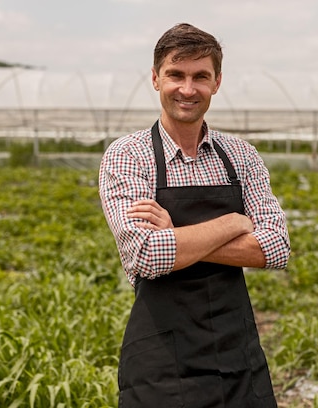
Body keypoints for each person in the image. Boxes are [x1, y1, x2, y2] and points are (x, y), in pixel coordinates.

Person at [98, 22, 290, 408]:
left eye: (200, 76)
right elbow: (147, 256)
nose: (188, 89)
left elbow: (275, 249)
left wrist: (177, 234)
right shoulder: (127, 155)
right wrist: (235, 223)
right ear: (155, 79)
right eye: (176, 75)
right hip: (160, 365)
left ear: (217, 82)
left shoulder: (241, 156)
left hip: (238, 355)